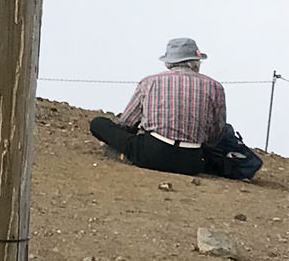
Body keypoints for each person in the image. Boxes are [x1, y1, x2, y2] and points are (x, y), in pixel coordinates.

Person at [88, 38, 233, 177]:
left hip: (153, 153)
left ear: (169, 63)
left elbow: (127, 122)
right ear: (197, 62)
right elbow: (216, 132)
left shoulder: (149, 82)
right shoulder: (216, 87)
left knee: (98, 123)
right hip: (191, 162)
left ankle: (122, 154)